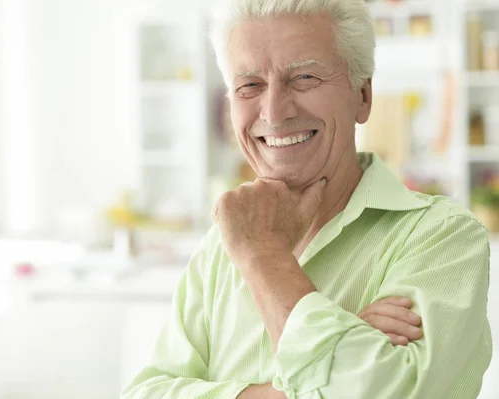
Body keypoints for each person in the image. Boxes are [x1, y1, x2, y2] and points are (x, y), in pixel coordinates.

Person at [121, 0, 492, 397]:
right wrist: (323, 373)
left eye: (304, 78)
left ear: (362, 96)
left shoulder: (444, 238)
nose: (275, 112)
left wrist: (263, 257)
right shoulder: (222, 245)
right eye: (250, 85)